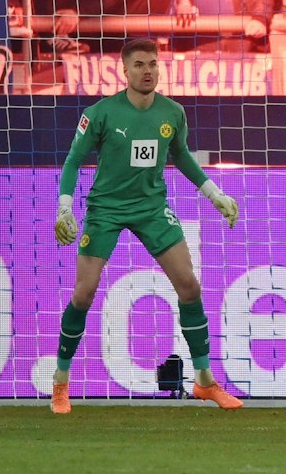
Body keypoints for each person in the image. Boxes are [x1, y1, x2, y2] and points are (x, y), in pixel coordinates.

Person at [52, 39, 244, 413]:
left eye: (153, 64)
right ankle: (61, 382)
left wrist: (215, 194)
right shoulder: (101, 113)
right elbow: (74, 161)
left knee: (189, 286)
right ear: (124, 71)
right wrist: (64, 208)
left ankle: (205, 382)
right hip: (106, 208)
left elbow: (182, 156)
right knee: (83, 294)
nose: (147, 71)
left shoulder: (172, 113)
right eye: (139, 65)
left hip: (152, 208)